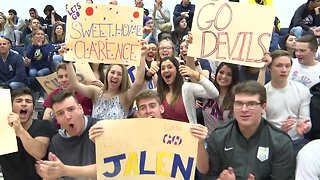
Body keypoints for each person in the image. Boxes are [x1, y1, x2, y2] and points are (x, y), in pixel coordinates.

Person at [194, 81, 295, 179]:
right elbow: (209, 175)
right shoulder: (219, 136)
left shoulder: (281, 142)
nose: (244, 109)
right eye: (238, 103)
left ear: (263, 107)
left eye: (251, 104)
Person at [63, 40, 147, 120]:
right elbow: (75, 84)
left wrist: (142, 56)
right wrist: (67, 61)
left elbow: (138, 83)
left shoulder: (125, 97)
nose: (115, 76)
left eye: (119, 74)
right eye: (112, 72)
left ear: (123, 78)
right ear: (107, 74)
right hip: (95, 134)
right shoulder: (96, 92)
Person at [36, 90, 98, 180]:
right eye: (61, 113)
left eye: (71, 109)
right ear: (57, 119)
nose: (68, 116)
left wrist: (65, 170)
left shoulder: (99, 127)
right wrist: (48, 177)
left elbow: (109, 168)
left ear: (81, 109)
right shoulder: (56, 142)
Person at [259, 50, 311, 155]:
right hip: (271, 141)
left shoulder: (302, 90)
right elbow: (260, 125)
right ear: (270, 68)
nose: (284, 70)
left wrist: (305, 127)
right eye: (279, 66)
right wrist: (280, 131)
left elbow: (305, 119)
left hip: (296, 141)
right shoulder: (264, 91)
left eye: (287, 66)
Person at [0, 88, 52, 179]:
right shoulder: (3, 129)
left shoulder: (43, 125)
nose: (24, 104)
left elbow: (39, 153)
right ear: (11, 106)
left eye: (28, 101)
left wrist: (20, 130)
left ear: (33, 108)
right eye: (19, 101)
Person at [26, 28, 54, 102]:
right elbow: (29, 56)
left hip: (46, 67)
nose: (40, 36)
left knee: (40, 73)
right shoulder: (30, 46)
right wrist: (34, 46)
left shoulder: (49, 46)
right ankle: (35, 91)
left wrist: (41, 47)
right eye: (38, 34)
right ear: (34, 36)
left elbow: (47, 56)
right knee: (32, 73)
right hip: (34, 66)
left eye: (42, 34)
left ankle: (41, 95)